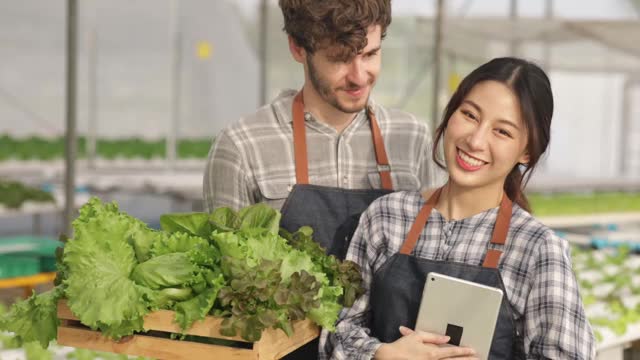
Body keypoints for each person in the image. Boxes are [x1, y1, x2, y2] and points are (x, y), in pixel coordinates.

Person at [322, 57, 596, 359]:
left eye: (502, 131)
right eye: (470, 115)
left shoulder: (537, 250)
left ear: (528, 151)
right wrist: (382, 355)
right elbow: (336, 329)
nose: (476, 140)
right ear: (451, 113)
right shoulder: (386, 216)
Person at [203, 0, 440, 260]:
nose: (359, 77)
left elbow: (429, 257)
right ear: (297, 47)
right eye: (340, 58)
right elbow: (229, 274)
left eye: (370, 54)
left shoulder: (412, 138)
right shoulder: (241, 147)